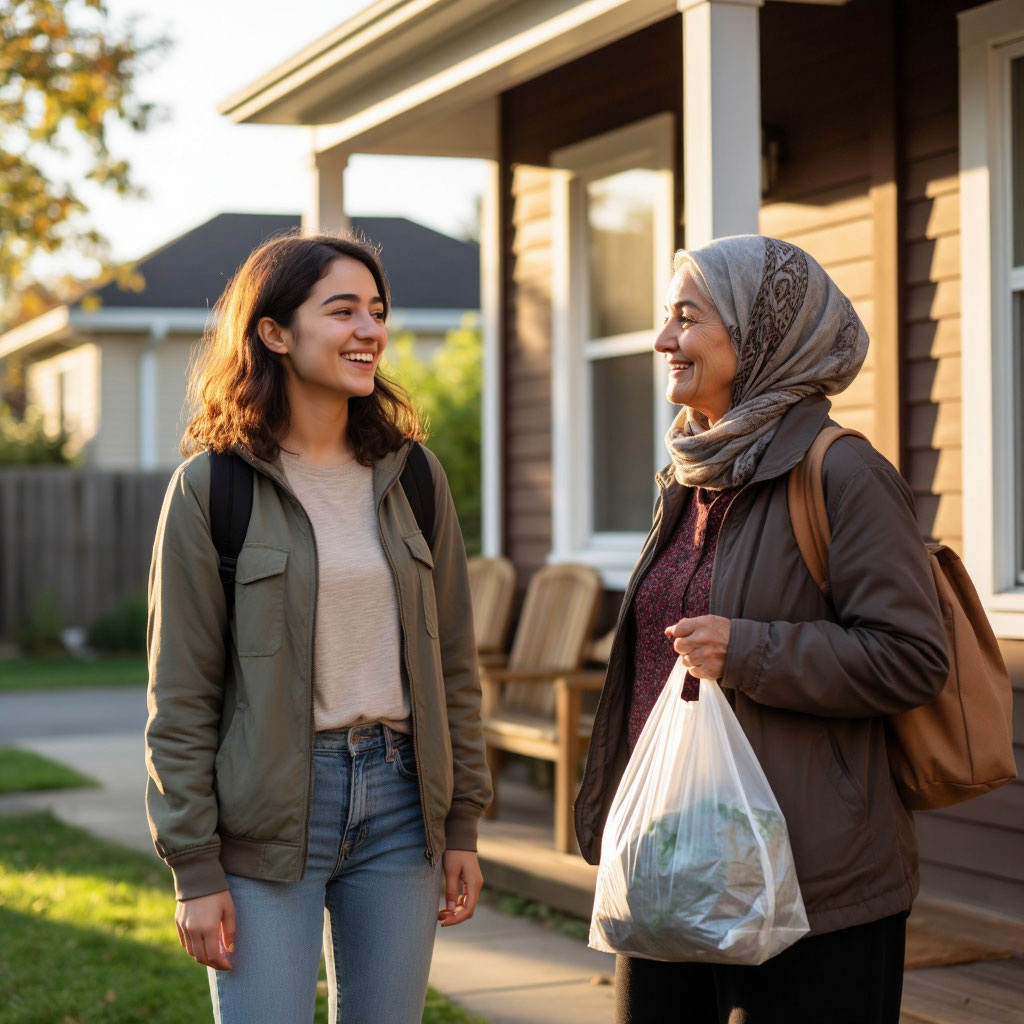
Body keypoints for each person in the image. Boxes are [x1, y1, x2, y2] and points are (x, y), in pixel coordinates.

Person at [574, 235, 949, 1024]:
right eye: (663, 318)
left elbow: (912, 659)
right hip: (674, 864)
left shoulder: (843, 474)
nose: (661, 340)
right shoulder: (690, 473)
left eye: (687, 318)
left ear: (761, 335)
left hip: (813, 885)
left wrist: (749, 650)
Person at [144, 232, 491, 1023]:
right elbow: (181, 697)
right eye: (342, 311)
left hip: (402, 808)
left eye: (377, 311)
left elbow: (455, 668)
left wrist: (462, 819)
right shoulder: (212, 488)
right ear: (274, 331)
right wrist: (194, 867)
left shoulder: (414, 478)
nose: (369, 329)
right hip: (267, 814)